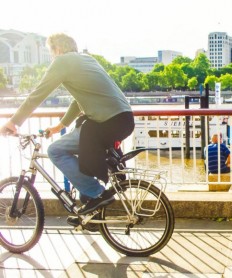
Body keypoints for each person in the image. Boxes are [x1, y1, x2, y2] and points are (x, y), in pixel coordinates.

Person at [0, 33, 135, 227]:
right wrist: (59, 126)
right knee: (82, 158)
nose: (51, 57)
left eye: (51, 52)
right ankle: (91, 216)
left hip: (106, 123)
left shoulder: (62, 62)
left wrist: (14, 122)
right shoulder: (85, 59)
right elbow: (79, 101)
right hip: (124, 120)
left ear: (58, 49)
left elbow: (37, 95)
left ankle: (98, 193)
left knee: (55, 151)